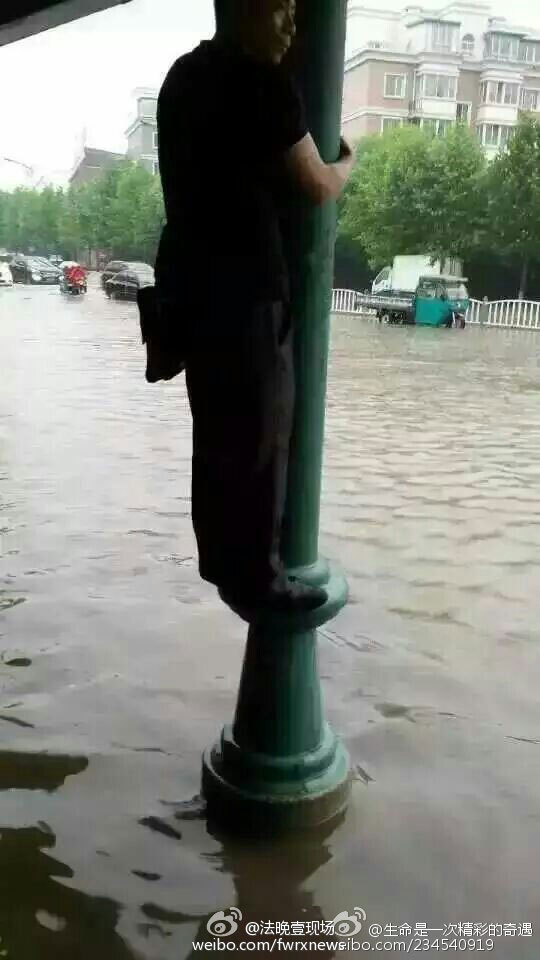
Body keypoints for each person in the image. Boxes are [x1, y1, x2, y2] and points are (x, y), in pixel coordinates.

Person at [155, 0, 355, 618]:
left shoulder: (182, 76)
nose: (294, 26)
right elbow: (317, 185)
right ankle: (258, 578)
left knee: (217, 433)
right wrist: (348, 162)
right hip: (248, 291)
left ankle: (221, 561)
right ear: (242, 8)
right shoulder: (261, 85)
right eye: (282, 10)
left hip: (190, 284)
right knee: (260, 438)